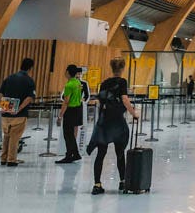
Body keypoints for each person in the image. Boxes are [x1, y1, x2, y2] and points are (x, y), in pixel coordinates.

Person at [87, 57, 138, 195]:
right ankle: (122, 181)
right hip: (116, 122)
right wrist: (134, 113)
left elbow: (100, 101)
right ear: (122, 68)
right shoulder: (122, 82)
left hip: (104, 122)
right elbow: (125, 99)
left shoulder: (104, 83)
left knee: (101, 153)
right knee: (120, 153)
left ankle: (97, 184)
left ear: (111, 68)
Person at [0, 57, 36, 167]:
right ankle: (11, 159)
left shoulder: (9, 78)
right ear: (31, 68)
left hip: (5, 114)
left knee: (6, 136)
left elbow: (0, 94)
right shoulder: (29, 81)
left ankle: (3, 158)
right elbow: (29, 98)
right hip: (19, 115)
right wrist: (18, 109)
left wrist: (5, 107)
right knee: (15, 138)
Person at [56, 64, 84, 164]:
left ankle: (69, 155)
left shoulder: (69, 85)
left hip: (71, 110)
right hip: (78, 109)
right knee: (71, 134)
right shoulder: (77, 82)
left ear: (67, 72)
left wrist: (60, 116)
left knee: (68, 134)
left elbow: (66, 102)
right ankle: (75, 154)